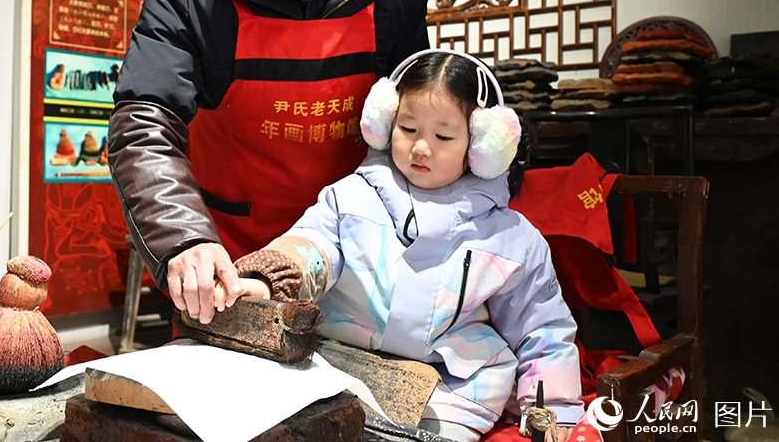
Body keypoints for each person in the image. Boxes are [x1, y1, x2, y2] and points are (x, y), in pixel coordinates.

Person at [108, 0, 430, 324]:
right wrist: (183, 239)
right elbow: (143, 118)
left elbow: (417, 113)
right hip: (229, 270)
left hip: (351, 255)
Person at [221, 49, 585, 442]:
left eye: (443, 136)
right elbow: (313, 245)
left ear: (481, 147)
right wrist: (268, 278)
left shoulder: (512, 239)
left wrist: (554, 408)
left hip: (451, 394)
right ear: (384, 123)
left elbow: (541, 324)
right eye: (408, 128)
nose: (421, 148)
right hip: (335, 369)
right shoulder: (350, 198)